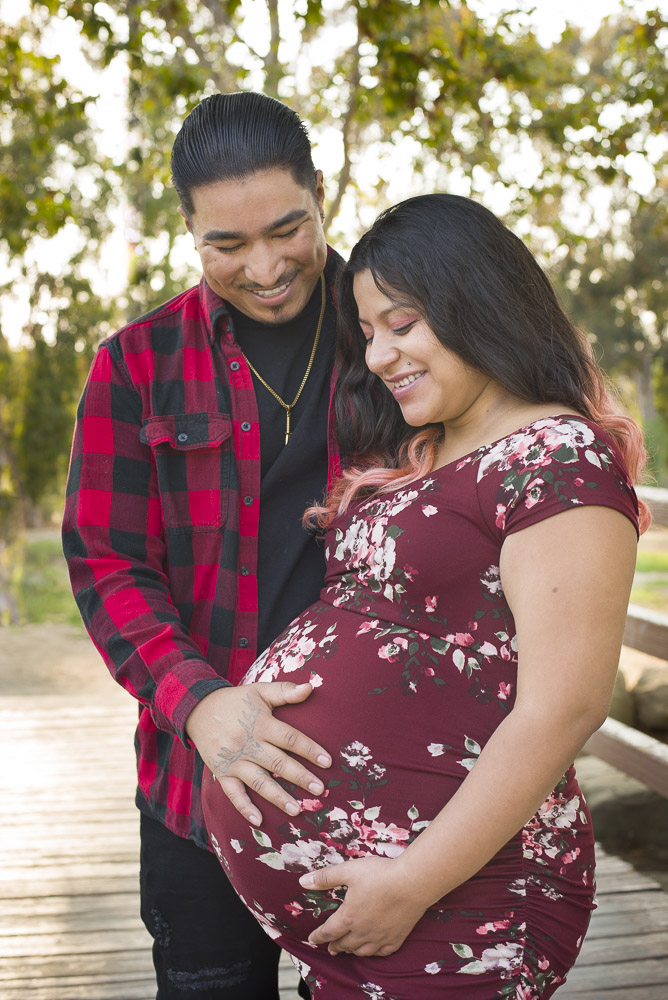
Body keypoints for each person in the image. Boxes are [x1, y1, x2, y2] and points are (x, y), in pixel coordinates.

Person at [200, 193, 650, 999]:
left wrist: (411, 882)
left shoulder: (559, 459)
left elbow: (565, 708)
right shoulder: (428, 450)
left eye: (401, 325)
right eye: (368, 333)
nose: (377, 356)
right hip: (383, 905)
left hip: (460, 896)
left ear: (477, 303)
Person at [62, 91, 347, 999]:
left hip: (383, 783)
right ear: (187, 229)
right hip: (197, 789)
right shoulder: (134, 364)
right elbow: (108, 563)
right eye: (226, 244)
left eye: (285, 228)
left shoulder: (400, 336)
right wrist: (200, 703)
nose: (265, 267)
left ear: (321, 196)